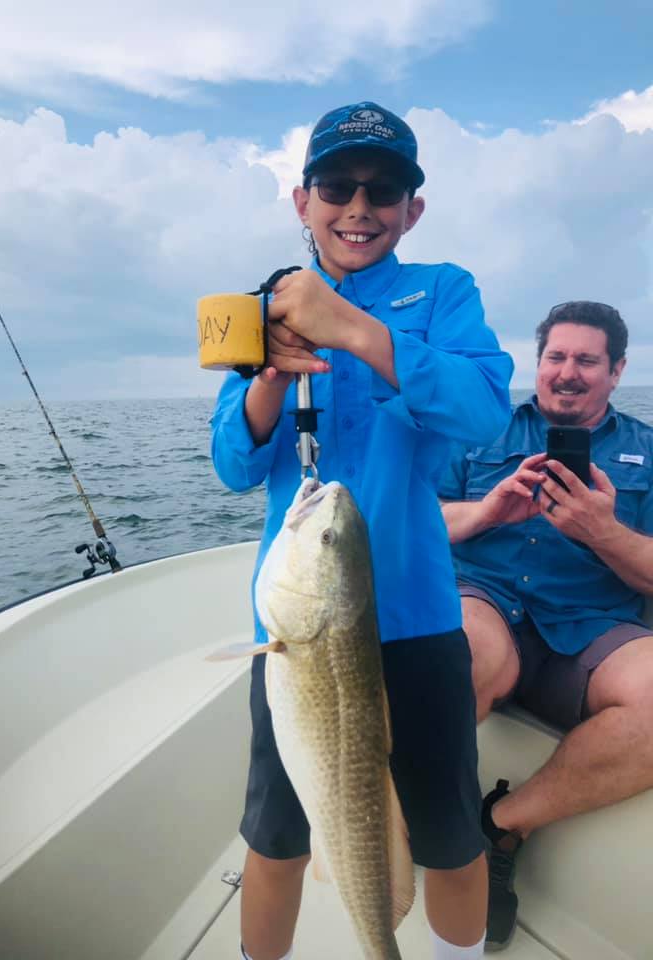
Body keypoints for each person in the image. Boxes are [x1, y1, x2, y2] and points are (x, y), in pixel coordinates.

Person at [211, 101, 513, 960]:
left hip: (416, 621)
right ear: (300, 201)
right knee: (277, 838)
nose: (358, 205)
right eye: (337, 185)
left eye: (384, 190)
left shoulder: (444, 293)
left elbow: (484, 408)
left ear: (413, 210)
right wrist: (269, 372)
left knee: (451, 836)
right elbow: (233, 465)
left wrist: (349, 328)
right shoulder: (253, 309)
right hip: (297, 635)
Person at [438, 300, 653, 951]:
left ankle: (498, 827)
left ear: (616, 371)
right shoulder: (481, 430)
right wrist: (486, 514)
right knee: (452, 656)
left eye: (587, 360)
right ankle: (435, 828)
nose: (567, 372)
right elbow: (416, 521)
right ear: (539, 363)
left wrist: (604, 533)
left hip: (591, 628)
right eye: (556, 356)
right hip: (487, 602)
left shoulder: (647, 450)